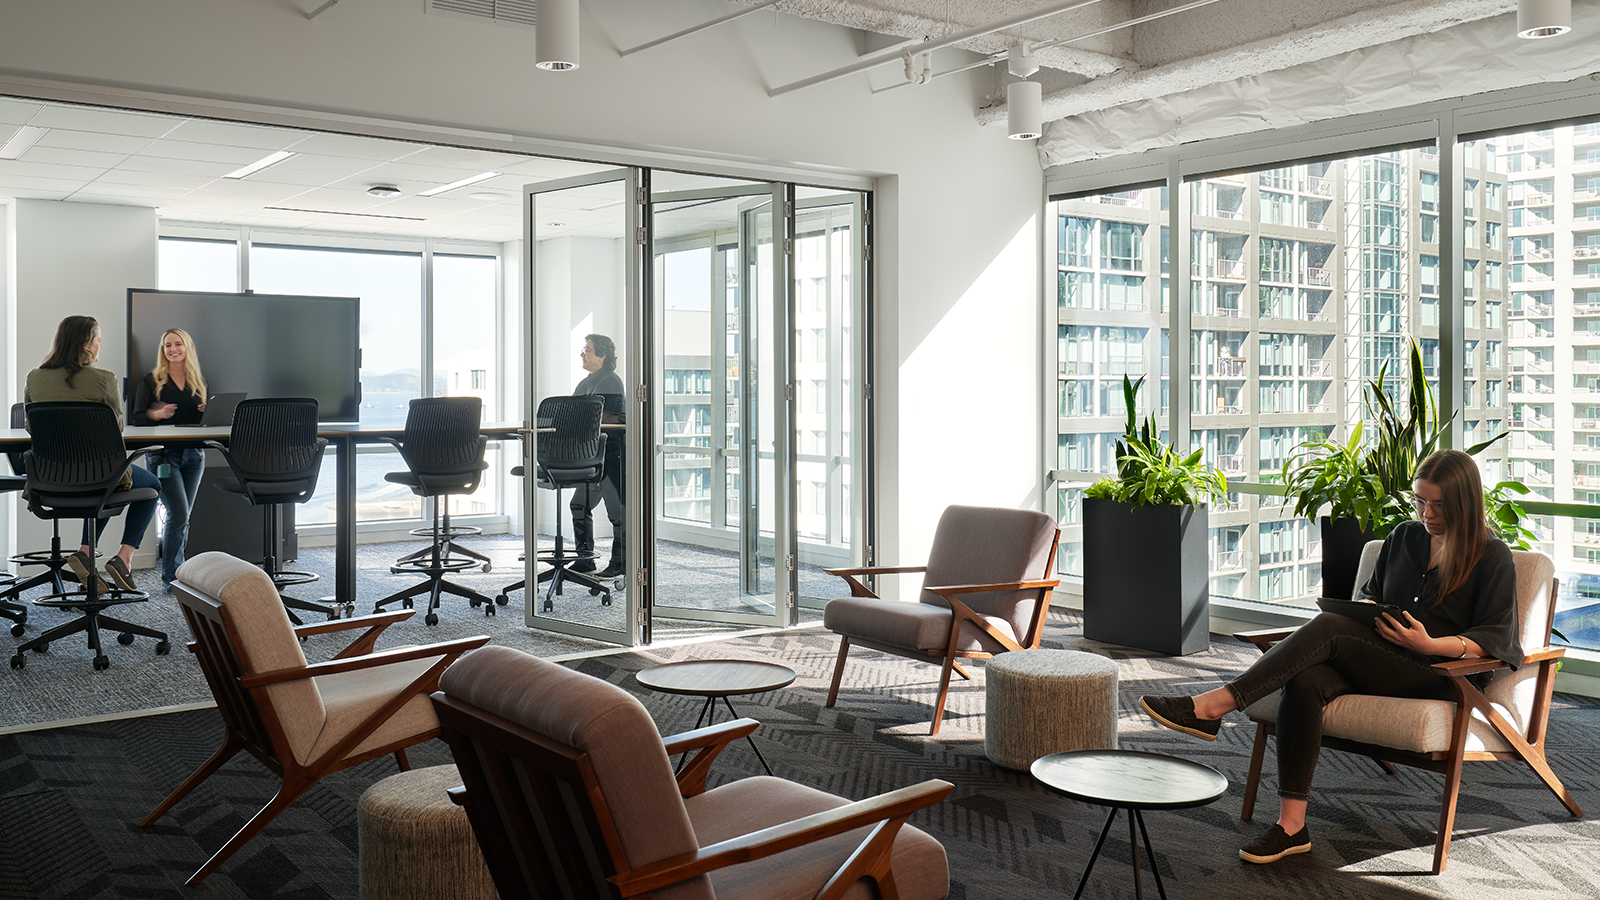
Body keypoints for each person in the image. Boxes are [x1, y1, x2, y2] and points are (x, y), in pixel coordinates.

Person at [1139, 448, 1520, 865]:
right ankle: (1291, 826)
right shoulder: (1404, 538)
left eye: (1438, 505)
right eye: (1419, 501)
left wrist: (1429, 644)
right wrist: (1369, 611)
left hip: (1439, 675)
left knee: (1328, 628)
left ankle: (1213, 705)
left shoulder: (1491, 555)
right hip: (1379, 659)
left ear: (1464, 502)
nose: (1426, 513)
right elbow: (1370, 596)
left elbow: (1496, 638)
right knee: (1306, 679)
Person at [24, 315, 163, 593]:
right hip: (100, 476)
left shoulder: (35, 377)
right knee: (151, 484)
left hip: (51, 478)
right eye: (98, 340)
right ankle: (124, 558)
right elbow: (116, 428)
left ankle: (87, 552)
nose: (100, 346)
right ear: (87, 345)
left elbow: (32, 426)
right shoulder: (104, 379)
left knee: (105, 483)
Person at [131, 327, 208, 590]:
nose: (172, 349)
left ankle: (178, 572)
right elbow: (136, 419)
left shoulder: (199, 381)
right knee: (178, 513)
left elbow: (203, 424)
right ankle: (173, 578)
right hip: (163, 457)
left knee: (184, 516)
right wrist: (156, 414)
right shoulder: (151, 380)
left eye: (177, 344)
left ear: (187, 348)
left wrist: (208, 412)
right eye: (167, 345)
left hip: (195, 455)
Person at [572, 333, 625, 580]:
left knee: (617, 512)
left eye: (588, 349)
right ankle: (585, 560)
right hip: (589, 454)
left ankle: (621, 562)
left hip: (610, 455)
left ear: (602, 356)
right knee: (579, 505)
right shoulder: (586, 382)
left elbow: (608, 418)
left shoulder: (611, 382)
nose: (582, 353)